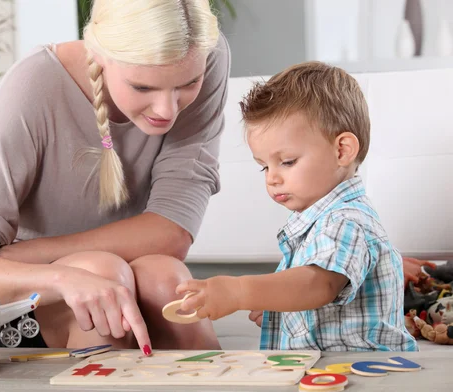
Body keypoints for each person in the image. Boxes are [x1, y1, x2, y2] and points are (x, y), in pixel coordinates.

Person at [0, 0, 231, 355]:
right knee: (102, 272)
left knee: (166, 281)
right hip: (30, 305)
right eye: (142, 87)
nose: (167, 110)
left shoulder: (200, 55)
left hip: (106, 275)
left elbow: (172, 233)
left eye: (188, 83)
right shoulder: (35, 84)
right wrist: (60, 277)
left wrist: (34, 252)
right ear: (99, 53)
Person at [176, 61, 418, 351]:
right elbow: (315, 295)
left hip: (360, 372)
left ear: (342, 150)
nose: (273, 178)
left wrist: (239, 291)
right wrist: (284, 307)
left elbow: (318, 285)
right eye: (264, 167)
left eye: (287, 161)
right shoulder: (323, 220)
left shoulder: (344, 221)